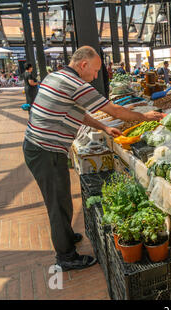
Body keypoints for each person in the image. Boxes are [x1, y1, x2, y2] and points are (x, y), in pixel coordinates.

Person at [22, 46, 163, 272]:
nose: (96, 76)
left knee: (62, 199)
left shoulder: (56, 76)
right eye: (96, 70)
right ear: (83, 64)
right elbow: (115, 110)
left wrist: (104, 127)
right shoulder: (75, 83)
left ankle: (65, 236)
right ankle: (66, 256)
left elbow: (78, 113)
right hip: (45, 151)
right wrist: (144, 116)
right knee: (58, 204)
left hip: (38, 148)